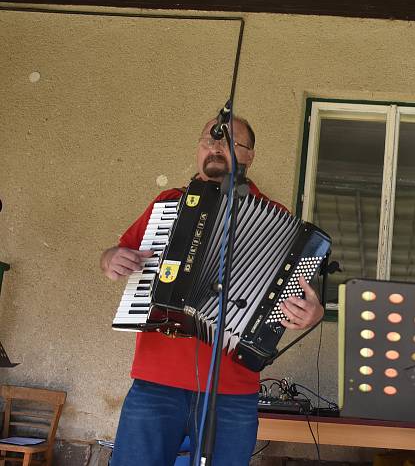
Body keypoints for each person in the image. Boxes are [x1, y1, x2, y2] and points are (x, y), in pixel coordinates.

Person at [101, 115, 324, 466]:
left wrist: (314, 312)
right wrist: (112, 258)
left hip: (232, 389)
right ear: (197, 150)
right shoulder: (166, 204)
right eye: (210, 138)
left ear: (249, 156)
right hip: (156, 381)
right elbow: (117, 253)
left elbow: (305, 299)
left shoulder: (279, 222)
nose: (216, 145)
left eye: (229, 141)